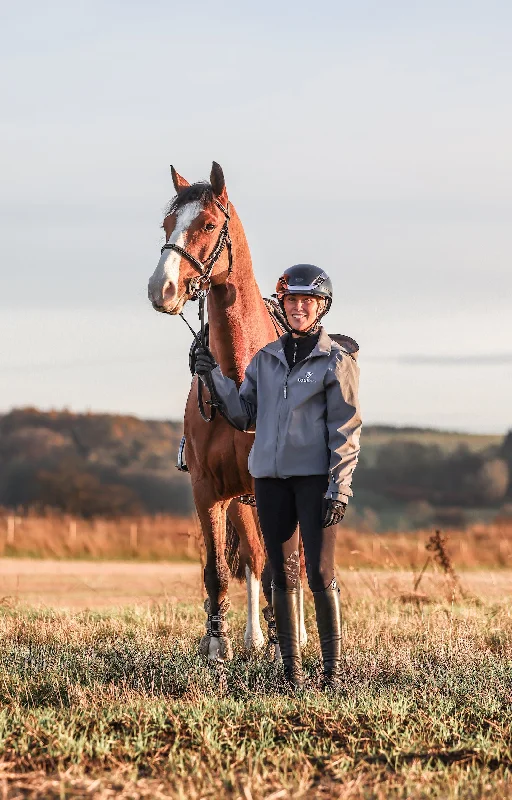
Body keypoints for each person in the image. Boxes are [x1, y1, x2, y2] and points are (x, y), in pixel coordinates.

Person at [194, 264, 362, 690]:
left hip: (313, 481)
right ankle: (290, 673)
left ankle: (333, 673)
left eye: (307, 301)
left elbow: (346, 429)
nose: (299, 308)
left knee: (320, 573)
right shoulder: (265, 360)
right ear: (283, 306)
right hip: (270, 482)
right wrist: (210, 373)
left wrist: (339, 486)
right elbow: (243, 414)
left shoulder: (336, 361)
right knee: (280, 575)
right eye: (291, 301)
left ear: (321, 306)